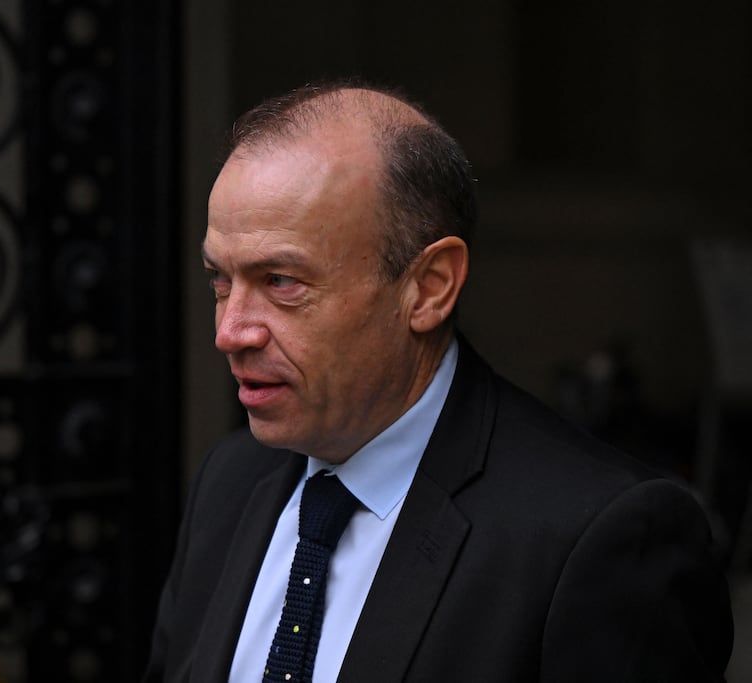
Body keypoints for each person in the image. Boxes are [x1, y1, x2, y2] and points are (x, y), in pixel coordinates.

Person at [144, 80, 734, 682]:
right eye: (221, 280)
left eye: (281, 282)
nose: (231, 332)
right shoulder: (231, 480)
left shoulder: (598, 538)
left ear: (430, 288)